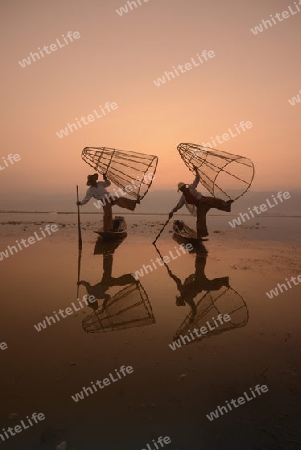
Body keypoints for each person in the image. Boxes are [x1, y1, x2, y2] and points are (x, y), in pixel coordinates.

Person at [169, 166, 233, 238]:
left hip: (204, 200)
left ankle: (227, 205)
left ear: (185, 186)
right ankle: (200, 235)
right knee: (200, 221)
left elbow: (197, 179)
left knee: (216, 202)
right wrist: (172, 211)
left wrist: (196, 171)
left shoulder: (191, 187)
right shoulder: (183, 198)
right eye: (181, 189)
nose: (182, 189)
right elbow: (178, 206)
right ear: (180, 190)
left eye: (183, 187)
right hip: (200, 206)